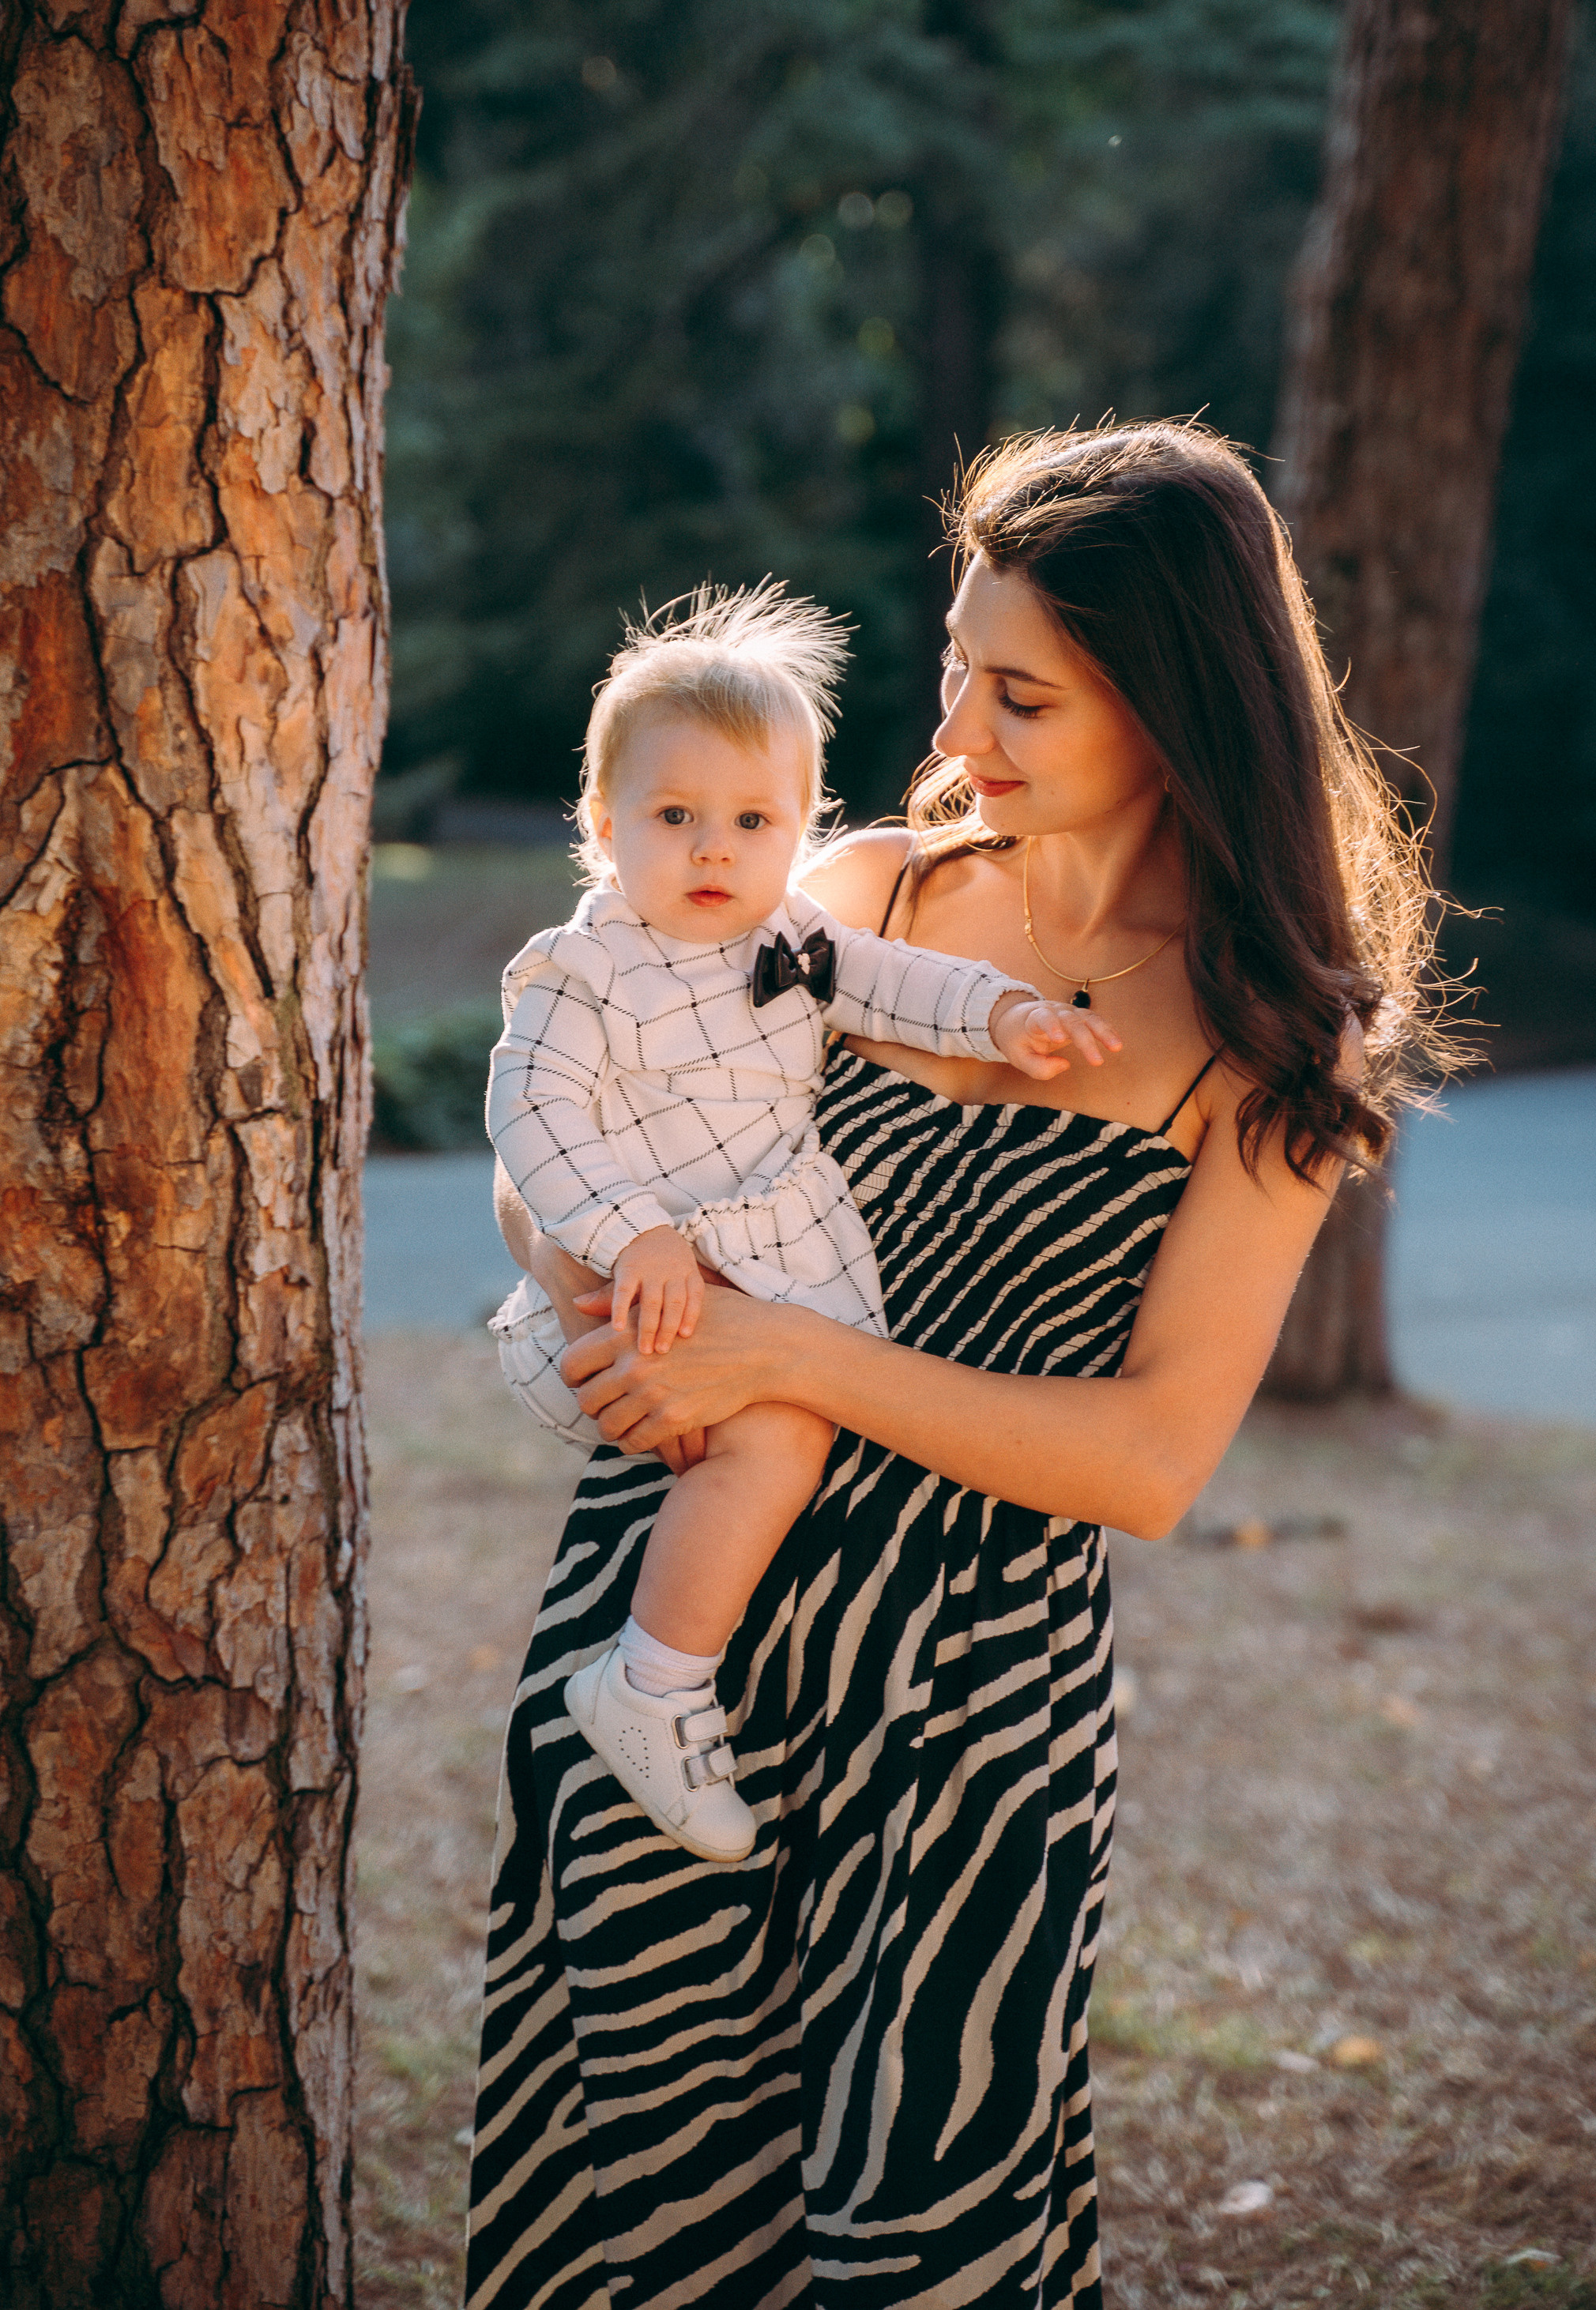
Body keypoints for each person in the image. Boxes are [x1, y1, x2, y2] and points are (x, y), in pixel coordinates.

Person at [464, 420, 1446, 2310]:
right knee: (626, 2212)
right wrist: (599, 1289)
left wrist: (788, 1356)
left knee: (925, 2238)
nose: (962, 732)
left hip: (962, 1717)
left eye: (1024, 696)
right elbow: (574, 1162)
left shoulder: (1268, 1043)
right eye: (952, 670)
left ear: (1170, 708)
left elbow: (1153, 1464)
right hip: (667, 1638)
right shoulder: (854, 901)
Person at [485, 588, 1117, 1860]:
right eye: (675, 819)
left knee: (783, 1429)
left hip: (769, 1273)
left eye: (752, 821)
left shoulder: (794, 931)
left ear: (800, 830)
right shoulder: (583, 965)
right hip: (649, 1288)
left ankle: (689, 1663)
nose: (714, 852)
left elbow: (897, 982)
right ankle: (653, 1684)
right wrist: (620, 1239)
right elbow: (528, 1117)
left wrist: (1004, 1016)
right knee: (775, 1441)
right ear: (604, 829)